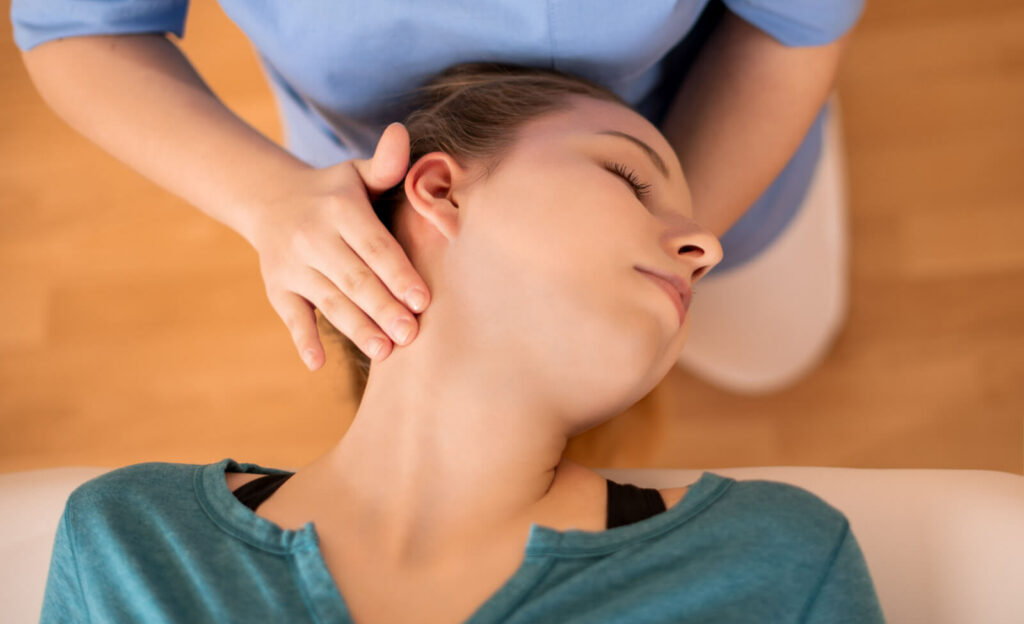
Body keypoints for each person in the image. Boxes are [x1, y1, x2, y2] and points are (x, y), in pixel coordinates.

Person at [37, 63, 886, 623]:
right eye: (629, 178)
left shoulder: (779, 565)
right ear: (441, 191)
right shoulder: (128, 545)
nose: (709, 247)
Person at [11, 0, 876, 393]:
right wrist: (264, 196)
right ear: (432, 191)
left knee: (771, 352)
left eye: (630, 174)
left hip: (724, 118)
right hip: (352, 173)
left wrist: (659, 240)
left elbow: (786, 18)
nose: (699, 251)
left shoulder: (692, 227)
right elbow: (80, 21)